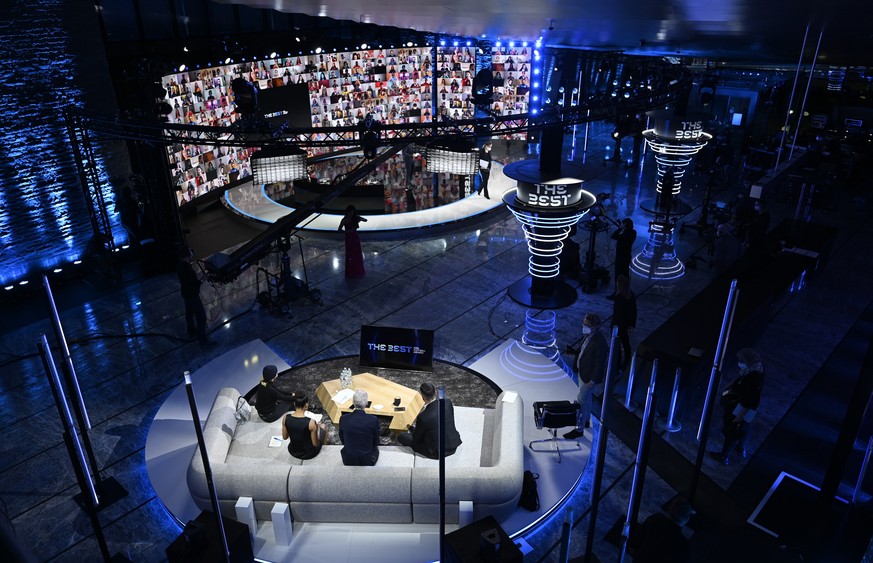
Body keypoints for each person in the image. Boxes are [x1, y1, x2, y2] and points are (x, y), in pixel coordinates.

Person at [715, 348, 765, 465]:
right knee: (744, 428)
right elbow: (741, 380)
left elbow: (749, 400)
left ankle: (724, 456)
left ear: (747, 362)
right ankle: (741, 448)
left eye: (741, 361)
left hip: (741, 407)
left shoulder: (753, 379)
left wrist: (739, 417)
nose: (739, 363)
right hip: (749, 408)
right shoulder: (756, 370)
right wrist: (731, 384)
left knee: (733, 431)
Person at [563, 313, 609, 438]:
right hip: (582, 373)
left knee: (581, 401)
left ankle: (579, 429)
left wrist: (592, 381)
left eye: (587, 325)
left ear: (595, 326)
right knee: (587, 400)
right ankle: (586, 420)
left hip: (588, 379)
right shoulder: (588, 336)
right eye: (583, 324)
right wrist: (573, 353)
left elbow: (600, 365)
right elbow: (583, 352)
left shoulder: (600, 342)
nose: (584, 327)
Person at [397, 382, 462, 459]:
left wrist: (413, 429)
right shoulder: (447, 402)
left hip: (437, 452)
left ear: (423, 396)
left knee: (401, 436)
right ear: (435, 391)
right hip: (453, 444)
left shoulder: (423, 417)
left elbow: (416, 439)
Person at [631, 496, 692, 563]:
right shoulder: (684, 546)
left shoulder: (655, 520)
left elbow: (634, 542)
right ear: (687, 519)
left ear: (670, 508)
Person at [175, 245, 210, 345]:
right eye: (190, 252)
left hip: (186, 294)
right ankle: (203, 341)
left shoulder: (180, 266)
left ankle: (191, 330)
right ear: (188, 254)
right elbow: (193, 285)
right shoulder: (187, 269)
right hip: (192, 295)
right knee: (201, 317)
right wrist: (203, 279)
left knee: (189, 313)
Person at [339, 389, 381, 466]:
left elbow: (343, 440)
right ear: (366, 404)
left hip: (348, 459)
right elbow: (376, 442)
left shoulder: (343, 418)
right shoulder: (373, 420)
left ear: (353, 403)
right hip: (368, 459)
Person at [282, 391, 328, 460]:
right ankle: (324, 447)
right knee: (324, 427)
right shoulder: (311, 422)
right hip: (308, 453)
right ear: (306, 405)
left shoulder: (285, 418)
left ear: (294, 404)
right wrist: (317, 429)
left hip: (293, 451)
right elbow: (315, 444)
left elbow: (285, 437)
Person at [611, 275, 637, 370]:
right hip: (625, 326)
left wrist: (621, 326)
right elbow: (634, 311)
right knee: (626, 344)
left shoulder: (619, 297)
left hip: (617, 325)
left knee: (616, 347)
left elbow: (619, 314)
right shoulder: (631, 295)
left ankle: (616, 365)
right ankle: (626, 362)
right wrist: (630, 325)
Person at [338, 205, 368, 278]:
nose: (351, 213)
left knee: (357, 253)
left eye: (352, 212)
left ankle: (358, 270)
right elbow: (339, 229)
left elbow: (365, 220)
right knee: (350, 254)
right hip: (349, 237)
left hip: (355, 235)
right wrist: (347, 231)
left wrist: (360, 219)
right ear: (347, 212)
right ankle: (351, 271)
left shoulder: (355, 217)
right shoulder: (344, 219)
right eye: (350, 212)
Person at [609, 218, 636, 298]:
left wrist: (619, 228)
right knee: (625, 275)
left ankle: (617, 293)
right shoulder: (633, 232)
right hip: (627, 257)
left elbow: (614, 236)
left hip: (621, 258)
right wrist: (622, 228)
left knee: (618, 276)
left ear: (625, 225)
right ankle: (626, 291)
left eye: (622, 224)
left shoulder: (625, 234)